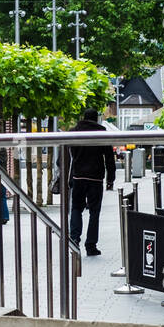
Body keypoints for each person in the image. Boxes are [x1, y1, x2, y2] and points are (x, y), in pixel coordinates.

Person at [66, 109, 116, 256]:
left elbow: (71, 154)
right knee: (94, 212)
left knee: (76, 208)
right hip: (95, 178)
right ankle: (91, 245)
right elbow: (109, 158)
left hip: (79, 176)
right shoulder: (102, 133)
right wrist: (110, 179)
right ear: (96, 119)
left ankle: (74, 239)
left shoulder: (74, 131)